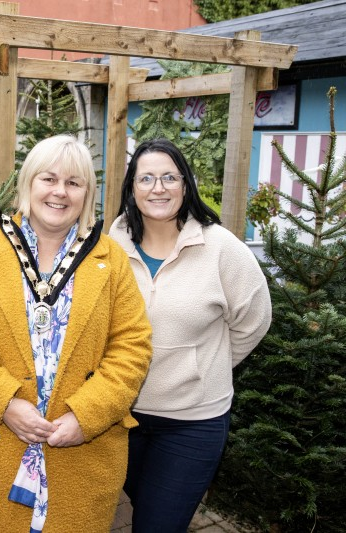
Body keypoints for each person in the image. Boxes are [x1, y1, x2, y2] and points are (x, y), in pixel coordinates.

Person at [0, 135, 152, 532]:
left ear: (87, 193)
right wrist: (4, 402)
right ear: (28, 184)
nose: (60, 192)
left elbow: (132, 347)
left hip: (84, 453)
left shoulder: (111, 259)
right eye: (49, 179)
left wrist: (85, 416)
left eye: (74, 183)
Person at [108, 138, 271, 532]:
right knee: (132, 511)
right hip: (119, 417)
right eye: (146, 178)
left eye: (169, 177)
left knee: (159, 524)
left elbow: (255, 318)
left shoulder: (221, 248)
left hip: (192, 423)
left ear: (186, 185)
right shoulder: (108, 247)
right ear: (132, 188)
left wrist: (205, 364)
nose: (158, 187)